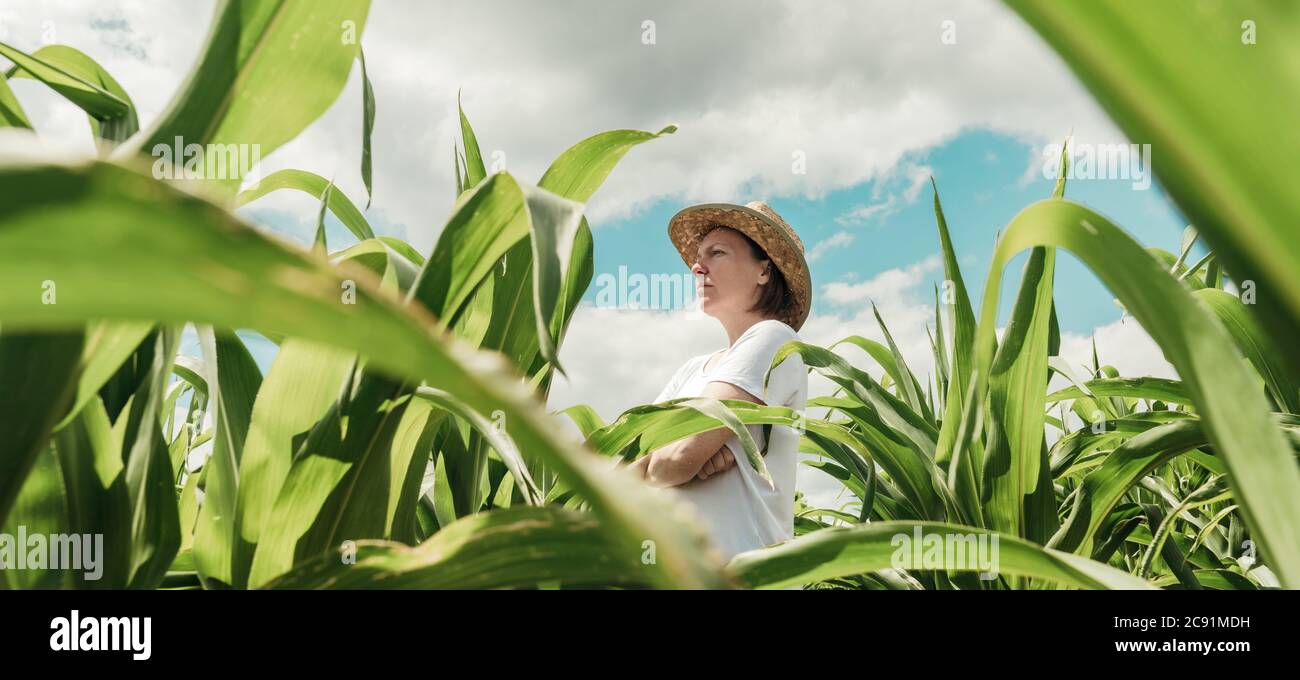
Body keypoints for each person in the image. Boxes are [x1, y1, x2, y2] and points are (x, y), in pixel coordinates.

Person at [624, 200, 811, 561]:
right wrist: (684, 460)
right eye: (698, 256)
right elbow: (622, 471)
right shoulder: (692, 370)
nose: (698, 266)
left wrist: (678, 458)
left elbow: (679, 455)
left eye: (717, 253)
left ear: (764, 271)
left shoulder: (774, 338)